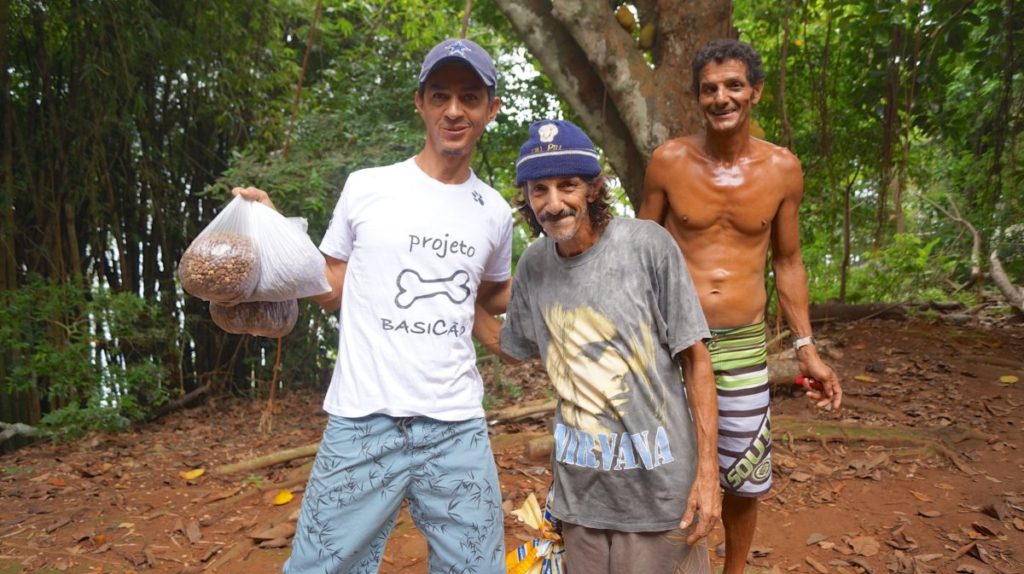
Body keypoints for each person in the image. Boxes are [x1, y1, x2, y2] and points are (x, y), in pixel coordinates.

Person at [237, 38, 512, 573]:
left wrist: (561, 281)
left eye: (470, 97)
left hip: (456, 425)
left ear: (490, 109)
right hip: (364, 420)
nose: (454, 111)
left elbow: (485, 294)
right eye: (441, 96)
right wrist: (275, 232)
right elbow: (332, 287)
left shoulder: (495, 212)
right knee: (321, 566)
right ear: (421, 103)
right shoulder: (369, 188)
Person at [475, 119, 720, 574]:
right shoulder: (533, 265)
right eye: (539, 190)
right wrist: (464, 301)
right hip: (579, 497)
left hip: (659, 494)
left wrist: (708, 476)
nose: (553, 203)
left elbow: (697, 360)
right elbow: (514, 347)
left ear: (591, 187)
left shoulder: (647, 245)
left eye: (567, 185)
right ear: (526, 199)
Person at [637, 39, 843, 574]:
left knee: (744, 476)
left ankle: (735, 570)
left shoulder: (781, 169)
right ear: (697, 98)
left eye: (733, 86)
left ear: (755, 92)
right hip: (672, 343)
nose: (721, 97)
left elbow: (789, 261)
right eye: (709, 89)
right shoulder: (668, 163)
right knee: (667, 465)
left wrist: (807, 349)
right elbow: (639, 250)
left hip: (744, 345)